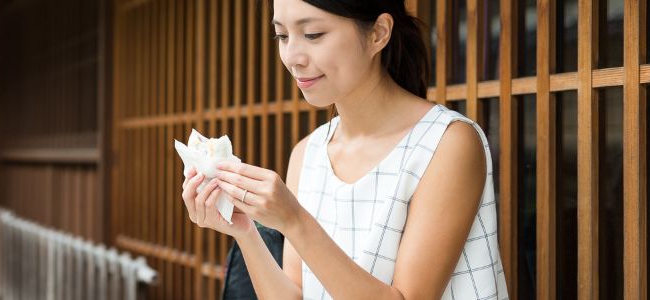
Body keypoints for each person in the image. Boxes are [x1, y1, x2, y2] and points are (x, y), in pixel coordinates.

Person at [180, 1, 508, 299]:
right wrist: (245, 231)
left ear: (379, 33)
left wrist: (294, 220)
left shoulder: (447, 143)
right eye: (282, 36)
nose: (293, 56)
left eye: (313, 34)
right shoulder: (306, 153)